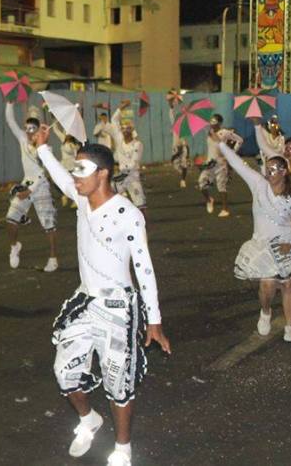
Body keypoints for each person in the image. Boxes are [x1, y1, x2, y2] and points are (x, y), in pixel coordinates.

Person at [34, 125, 171, 466]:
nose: (75, 175)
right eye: (75, 168)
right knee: (64, 373)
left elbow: (144, 267)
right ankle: (88, 420)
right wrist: (42, 148)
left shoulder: (128, 214)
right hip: (85, 302)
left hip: (118, 308)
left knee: (118, 384)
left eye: (82, 169)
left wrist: (154, 320)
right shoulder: (82, 200)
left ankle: (123, 448)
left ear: (103, 174)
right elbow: (60, 178)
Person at [218, 140, 291, 342]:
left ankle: (290, 326)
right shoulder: (259, 185)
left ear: (284, 172)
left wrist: (290, 243)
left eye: (273, 169)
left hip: (286, 244)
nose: (269, 173)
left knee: (288, 285)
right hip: (263, 245)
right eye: (267, 169)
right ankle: (266, 311)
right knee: (267, 286)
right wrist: (222, 145)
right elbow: (237, 164)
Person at [4, 101, 59, 272]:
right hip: (26, 183)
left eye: (32, 129)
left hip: (40, 187)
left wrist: (30, 190)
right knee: (11, 218)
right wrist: (10, 103)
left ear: (38, 130)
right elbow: (10, 120)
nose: (28, 132)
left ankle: (53, 258)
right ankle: (14, 246)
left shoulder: (45, 148)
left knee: (48, 224)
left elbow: (43, 173)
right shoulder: (22, 139)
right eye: (26, 128)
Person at [198, 114, 243, 218]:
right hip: (210, 163)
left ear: (220, 123)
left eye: (214, 121)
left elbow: (240, 140)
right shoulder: (209, 132)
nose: (212, 123)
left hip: (221, 163)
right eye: (211, 121)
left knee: (221, 187)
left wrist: (231, 153)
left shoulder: (225, 133)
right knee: (202, 183)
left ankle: (225, 209)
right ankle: (209, 200)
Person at [110, 101, 147, 215]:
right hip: (120, 178)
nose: (125, 131)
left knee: (140, 205)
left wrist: (120, 170)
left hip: (132, 177)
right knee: (109, 198)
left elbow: (133, 164)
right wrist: (120, 108)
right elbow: (114, 120)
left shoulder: (137, 144)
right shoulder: (119, 139)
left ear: (132, 131)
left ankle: (143, 223)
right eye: (123, 128)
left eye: (128, 129)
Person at [51, 121, 81, 208]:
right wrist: (54, 120)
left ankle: (75, 200)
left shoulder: (74, 144)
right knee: (56, 181)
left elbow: (75, 154)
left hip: (73, 165)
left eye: (69, 134)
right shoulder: (63, 139)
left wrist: (73, 147)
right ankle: (64, 195)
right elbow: (56, 130)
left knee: (75, 183)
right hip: (64, 165)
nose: (67, 135)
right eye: (66, 133)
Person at [167, 97, 190, 188]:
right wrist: (171, 106)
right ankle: (183, 173)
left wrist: (186, 149)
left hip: (183, 147)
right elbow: (171, 115)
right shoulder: (175, 124)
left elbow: (185, 140)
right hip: (176, 147)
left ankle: (183, 180)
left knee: (184, 163)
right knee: (175, 164)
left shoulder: (184, 126)